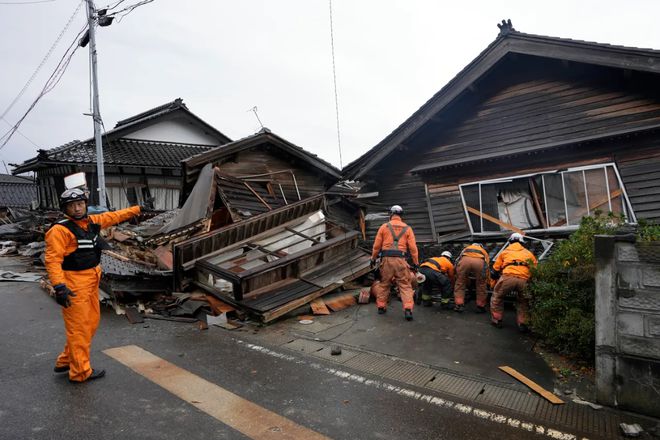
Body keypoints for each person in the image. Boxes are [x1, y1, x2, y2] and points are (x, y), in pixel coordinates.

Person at [45, 188, 142, 383]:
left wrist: (137, 209)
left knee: (90, 323)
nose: (77, 208)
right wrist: (59, 287)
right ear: (65, 208)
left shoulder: (90, 222)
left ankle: (66, 360)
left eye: (80, 204)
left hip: (91, 280)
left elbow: (114, 216)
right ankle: (80, 372)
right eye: (72, 206)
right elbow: (52, 260)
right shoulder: (59, 231)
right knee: (79, 328)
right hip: (74, 283)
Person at [370, 205, 419, 321]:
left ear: (391, 214)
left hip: (386, 260)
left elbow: (376, 246)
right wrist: (416, 263)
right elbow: (413, 248)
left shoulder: (384, 227)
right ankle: (408, 309)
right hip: (401, 260)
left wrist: (373, 259)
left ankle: (381, 306)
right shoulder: (407, 228)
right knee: (405, 285)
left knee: (384, 284)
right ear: (401, 215)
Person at [490, 232, 538, 331]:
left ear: (510, 241)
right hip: (524, 280)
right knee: (523, 301)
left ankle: (497, 319)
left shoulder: (505, 252)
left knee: (497, 297)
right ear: (522, 242)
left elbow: (495, 270)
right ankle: (523, 323)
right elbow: (535, 270)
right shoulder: (529, 253)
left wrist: (494, 281)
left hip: (508, 277)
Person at [453, 242, 490, 313]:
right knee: (481, 284)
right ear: (480, 246)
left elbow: (457, 260)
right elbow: (487, 265)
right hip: (479, 262)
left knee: (460, 283)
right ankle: (480, 306)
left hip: (465, 261)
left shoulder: (466, 248)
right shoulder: (483, 251)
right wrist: (487, 279)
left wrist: (456, 273)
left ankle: (459, 305)